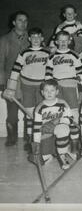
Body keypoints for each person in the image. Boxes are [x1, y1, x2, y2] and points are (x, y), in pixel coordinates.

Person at [2, 27, 50, 151]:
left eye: (38, 37)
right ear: (29, 39)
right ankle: (30, 139)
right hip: (27, 85)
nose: (35, 39)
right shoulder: (24, 52)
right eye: (33, 37)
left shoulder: (47, 52)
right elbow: (15, 70)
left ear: (42, 38)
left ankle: (41, 139)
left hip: (42, 87)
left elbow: (51, 70)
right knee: (29, 113)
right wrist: (11, 88)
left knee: (41, 113)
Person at [45, 30, 82, 141]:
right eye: (60, 41)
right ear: (56, 42)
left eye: (65, 41)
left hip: (70, 85)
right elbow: (48, 72)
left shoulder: (74, 54)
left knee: (73, 112)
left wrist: (81, 78)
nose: (63, 43)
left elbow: (80, 70)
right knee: (59, 111)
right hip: (57, 86)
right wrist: (49, 83)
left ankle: (75, 140)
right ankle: (61, 138)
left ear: (69, 41)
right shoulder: (52, 56)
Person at [32, 79, 79, 170]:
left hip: (60, 128)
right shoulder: (39, 108)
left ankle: (62, 155)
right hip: (46, 132)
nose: (49, 93)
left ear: (57, 92)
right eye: (46, 90)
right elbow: (37, 128)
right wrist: (36, 147)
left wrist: (58, 120)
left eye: (52, 90)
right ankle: (52, 152)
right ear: (42, 92)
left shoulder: (62, 103)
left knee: (62, 129)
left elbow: (71, 120)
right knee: (44, 159)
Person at [0, 11, 30, 146]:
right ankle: (12, 137)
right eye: (19, 20)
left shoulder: (32, 38)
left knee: (29, 109)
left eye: (25, 21)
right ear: (13, 22)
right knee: (12, 111)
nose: (23, 23)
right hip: (11, 80)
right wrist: (2, 83)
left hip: (28, 80)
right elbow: (0, 62)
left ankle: (28, 137)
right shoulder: (5, 40)